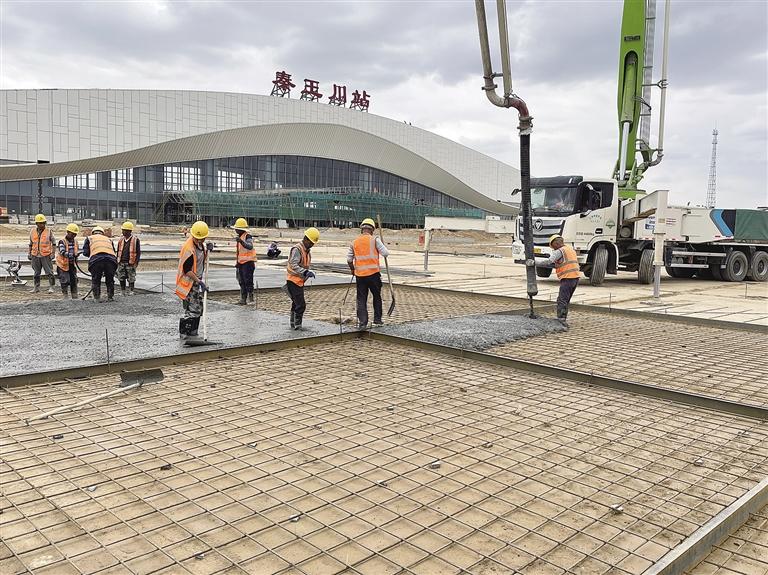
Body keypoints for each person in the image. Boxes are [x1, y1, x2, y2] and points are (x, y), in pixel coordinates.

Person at [347, 218, 390, 329]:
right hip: (373, 275)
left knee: (361, 299)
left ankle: (363, 323)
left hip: (360, 276)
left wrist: (353, 270)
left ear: (362, 229)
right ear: (372, 230)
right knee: (376, 296)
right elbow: (385, 253)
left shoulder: (354, 242)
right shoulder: (375, 240)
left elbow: (349, 260)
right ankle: (377, 320)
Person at [175, 221, 212, 340]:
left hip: (196, 281)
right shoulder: (188, 248)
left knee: (198, 308)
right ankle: (185, 333)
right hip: (188, 283)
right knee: (191, 309)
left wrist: (210, 248)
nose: (200, 241)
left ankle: (193, 332)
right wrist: (199, 281)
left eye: (202, 239)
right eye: (197, 239)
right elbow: (187, 270)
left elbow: (201, 259)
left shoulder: (201, 245)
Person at [285, 228, 319, 330]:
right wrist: (305, 272)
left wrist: (307, 272)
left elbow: (304, 264)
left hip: (299, 281)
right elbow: (293, 264)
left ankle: (293, 323)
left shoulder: (306, 251)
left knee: (296, 303)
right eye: (311, 242)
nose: (312, 245)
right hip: (293, 280)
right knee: (301, 304)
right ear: (306, 239)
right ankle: (297, 325)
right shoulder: (297, 249)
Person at [547, 234, 581, 327]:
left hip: (567, 278)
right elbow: (564, 263)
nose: (553, 249)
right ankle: (563, 319)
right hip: (575, 278)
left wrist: (533, 262)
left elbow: (548, 261)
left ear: (557, 243)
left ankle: (561, 321)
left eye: (553, 246)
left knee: (562, 300)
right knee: (566, 300)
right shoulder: (570, 249)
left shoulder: (559, 251)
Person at [82, 226, 118, 302]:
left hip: (96, 260)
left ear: (93, 233)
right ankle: (110, 297)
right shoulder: (108, 239)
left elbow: (85, 253)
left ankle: (97, 298)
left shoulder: (90, 238)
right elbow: (113, 251)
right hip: (111, 260)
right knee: (110, 280)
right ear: (102, 233)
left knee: (96, 279)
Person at [231, 218, 257, 305]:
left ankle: (250, 299)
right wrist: (238, 263)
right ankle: (243, 299)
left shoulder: (247, 236)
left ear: (241, 229)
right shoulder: (240, 237)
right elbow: (240, 252)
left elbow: (250, 246)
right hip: (241, 263)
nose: (235, 230)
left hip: (248, 263)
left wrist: (241, 242)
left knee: (248, 281)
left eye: (236, 228)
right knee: (241, 281)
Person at [28, 213, 56, 293]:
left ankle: (51, 287)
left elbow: (54, 243)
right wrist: (29, 253)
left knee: (49, 272)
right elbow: (30, 243)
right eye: (40, 223)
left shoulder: (48, 231)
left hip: (46, 255)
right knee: (36, 273)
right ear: (36, 223)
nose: (42, 224)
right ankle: (36, 287)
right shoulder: (32, 231)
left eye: (43, 222)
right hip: (35, 255)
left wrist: (53, 253)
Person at [116, 221, 141, 296]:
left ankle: (131, 291)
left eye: (124, 230)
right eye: (123, 230)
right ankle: (123, 291)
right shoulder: (121, 239)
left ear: (129, 231)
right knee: (121, 277)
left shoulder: (135, 240)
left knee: (131, 278)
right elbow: (118, 250)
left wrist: (136, 262)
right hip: (121, 262)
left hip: (130, 262)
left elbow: (138, 252)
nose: (123, 232)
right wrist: (117, 261)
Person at [56, 223, 80, 299]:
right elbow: (62, 252)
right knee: (64, 280)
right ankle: (65, 296)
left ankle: (74, 295)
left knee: (74, 280)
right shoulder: (62, 241)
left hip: (72, 264)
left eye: (75, 234)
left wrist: (76, 255)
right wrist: (71, 255)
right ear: (68, 232)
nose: (74, 236)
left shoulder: (75, 242)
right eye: (72, 234)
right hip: (63, 265)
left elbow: (76, 251)